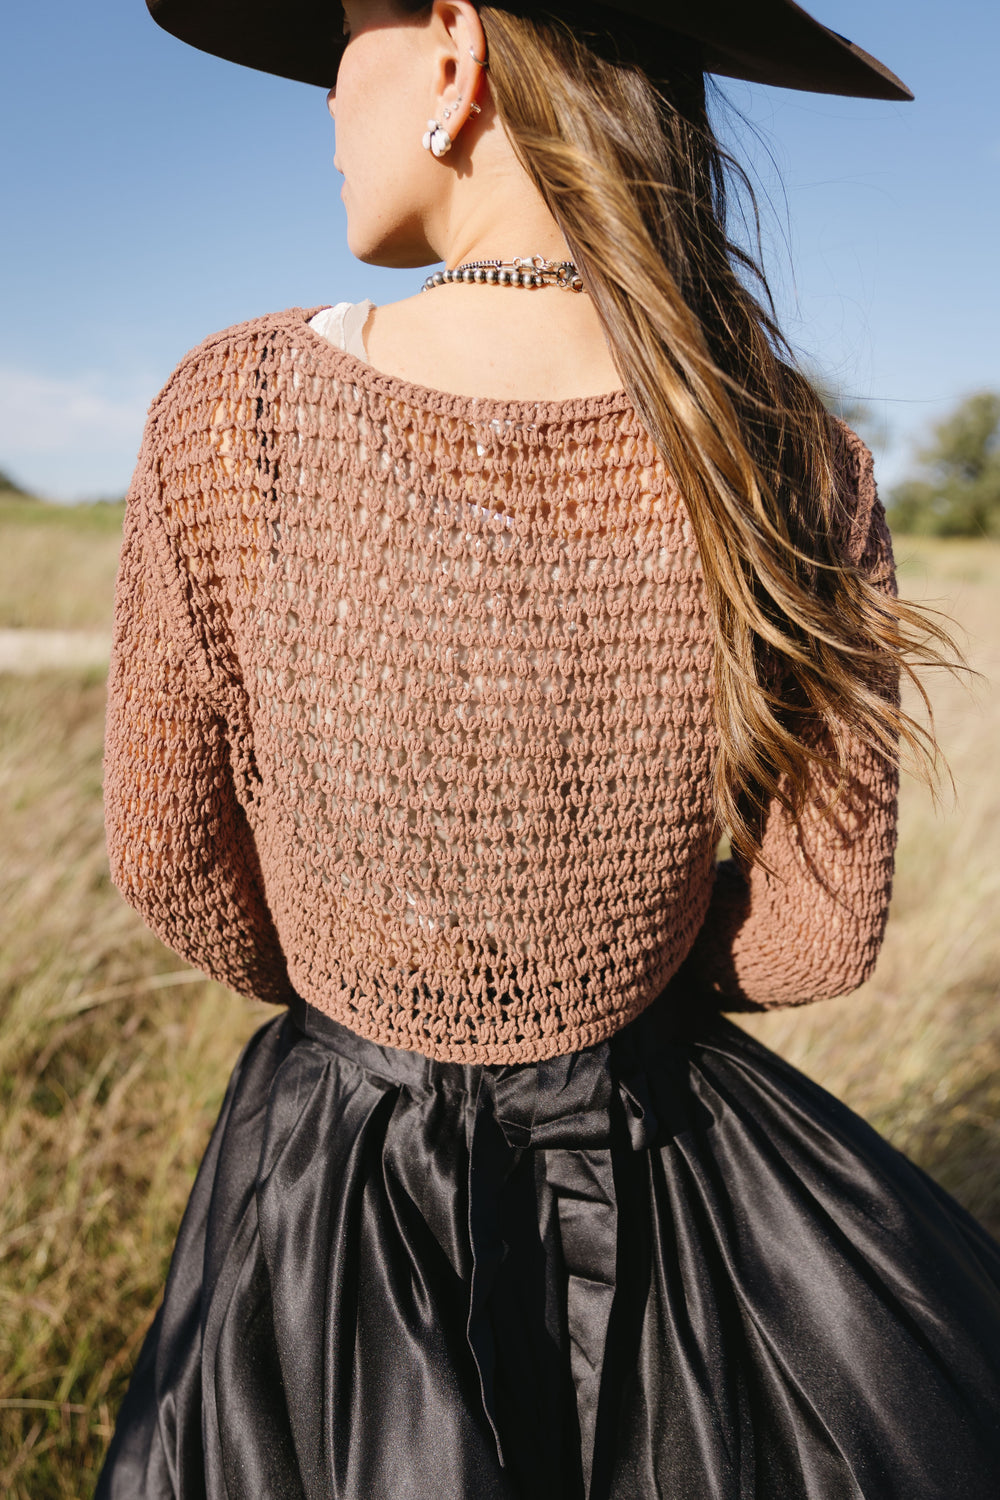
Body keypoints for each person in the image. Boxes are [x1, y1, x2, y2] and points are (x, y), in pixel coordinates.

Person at [95, 0, 1000, 1495]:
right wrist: (609, 975)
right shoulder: (793, 452)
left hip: (340, 1178)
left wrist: (374, 994)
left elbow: (172, 862)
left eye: (340, 42)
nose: (325, 104)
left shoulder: (234, 410)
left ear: (454, 52)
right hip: (654, 1155)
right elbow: (823, 937)